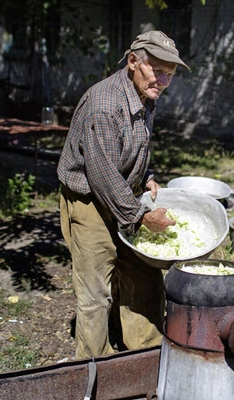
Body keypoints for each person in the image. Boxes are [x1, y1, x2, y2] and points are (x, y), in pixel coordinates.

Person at [56, 30, 189, 359]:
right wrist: (141, 216)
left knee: (144, 275)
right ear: (133, 62)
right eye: (157, 70)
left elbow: (134, 146)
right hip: (89, 200)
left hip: (124, 196)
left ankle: (146, 357)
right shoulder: (104, 104)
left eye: (169, 75)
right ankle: (92, 369)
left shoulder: (145, 95)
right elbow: (101, 174)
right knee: (95, 289)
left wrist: (147, 176)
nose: (162, 80)